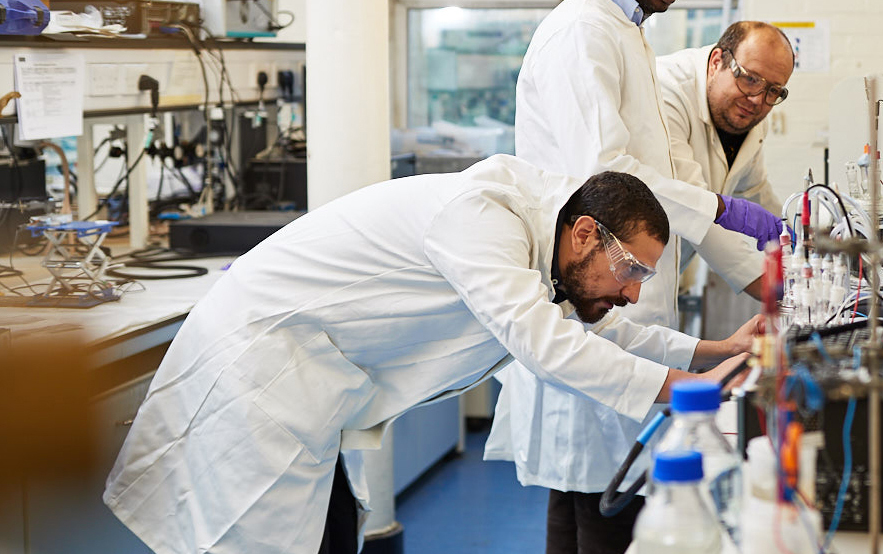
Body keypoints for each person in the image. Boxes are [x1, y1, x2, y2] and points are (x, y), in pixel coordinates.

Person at [102, 154, 756, 554]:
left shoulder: (555, 250)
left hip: (308, 388)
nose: (634, 290)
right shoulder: (484, 218)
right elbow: (545, 343)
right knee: (253, 541)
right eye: (631, 269)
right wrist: (682, 388)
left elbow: (602, 329)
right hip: (257, 371)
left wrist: (713, 351)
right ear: (586, 232)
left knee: (326, 537)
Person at [490, 0, 785, 554]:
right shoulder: (584, 31)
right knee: (602, 498)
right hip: (591, 285)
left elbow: (653, 165)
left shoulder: (625, 31)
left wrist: (748, 241)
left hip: (620, 293)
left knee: (589, 495)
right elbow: (606, 169)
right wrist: (719, 207)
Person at [658, 20, 795, 297]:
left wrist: (798, 238)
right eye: (750, 78)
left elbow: (753, 192)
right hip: (621, 271)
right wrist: (777, 290)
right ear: (717, 61)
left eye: (773, 91)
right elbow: (693, 206)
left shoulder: (748, 113)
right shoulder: (666, 91)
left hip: (666, 277)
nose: (757, 99)